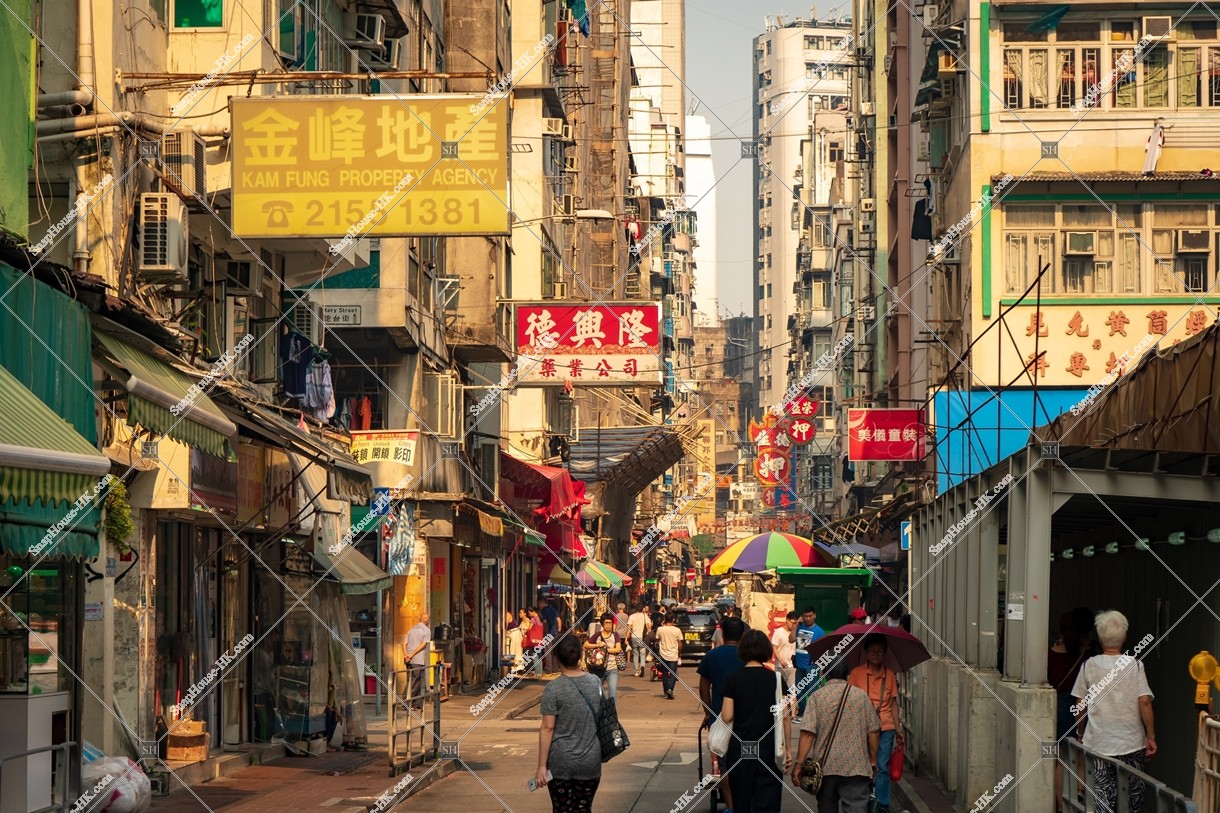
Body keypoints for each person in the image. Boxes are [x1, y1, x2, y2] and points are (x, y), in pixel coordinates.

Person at [1071, 610, 1156, 813]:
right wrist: (1151, 736)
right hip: (1132, 743)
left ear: (1100, 639)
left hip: (1098, 743)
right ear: (1124, 637)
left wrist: (1081, 733)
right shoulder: (1135, 665)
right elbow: (1144, 701)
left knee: (1101, 800)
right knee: (1133, 800)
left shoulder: (1088, 666)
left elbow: (1080, 703)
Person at [793, 659, 880, 813]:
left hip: (826, 767)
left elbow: (807, 733)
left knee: (827, 808)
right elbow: (873, 731)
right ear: (848, 674)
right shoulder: (861, 696)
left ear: (824, 674)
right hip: (857, 766)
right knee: (856, 809)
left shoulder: (817, 697)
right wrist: (872, 760)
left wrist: (799, 764)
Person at [721, 629, 791, 812]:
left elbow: (727, 716)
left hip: (741, 749)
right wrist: (788, 749)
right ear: (766, 651)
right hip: (768, 749)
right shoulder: (776, 680)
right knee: (768, 802)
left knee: (742, 801)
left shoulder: (733, 679)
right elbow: (785, 717)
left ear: (742, 650)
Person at [537, 635, 603, 812]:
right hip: (590, 761)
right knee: (583, 808)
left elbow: (548, 727)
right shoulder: (595, 683)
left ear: (556, 657)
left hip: (561, 762)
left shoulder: (553, 688)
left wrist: (542, 766)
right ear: (580, 656)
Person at [847, 634, 903, 813]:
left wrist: (898, 729)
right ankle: (864, 801)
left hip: (886, 727)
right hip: (861, 728)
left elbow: (893, 704)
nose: (876, 654)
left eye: (880, 651)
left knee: (882, 767)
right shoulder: (856, 673)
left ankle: (883, 805)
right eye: (873, 651)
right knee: (863, 767)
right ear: (866, 652)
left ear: (884, 653)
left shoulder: (890, 675)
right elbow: (849, 701)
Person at [698, 617, 746, 813]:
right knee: (745, 761)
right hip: (746, 719)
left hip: (719, 718)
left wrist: (708, 713)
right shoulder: (747, 656)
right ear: (742, 635)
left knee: (724, 765)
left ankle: (730, 806)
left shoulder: (711, 656)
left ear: (723, 635)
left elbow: (703, 688)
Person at [1048, 608, 1093, 813]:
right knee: (1081, 759)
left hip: (1059, 706)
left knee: (1061, 760)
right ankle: (1079, 799)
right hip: (1083, 706)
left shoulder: (1051, 653)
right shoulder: (1089, 655)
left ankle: (1062, 806)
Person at [790, 607, 824, 722]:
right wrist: (796, 625)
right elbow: (791, 639)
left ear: (814, 615)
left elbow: (822, 650)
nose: (808, 618)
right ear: (802, 617)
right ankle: (802, 713)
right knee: (799, 691)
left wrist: (820, 668)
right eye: (806, 616)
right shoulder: (800, 627)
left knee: (811, 692)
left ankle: (812, 715)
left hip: (812, 666)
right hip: (799, 666)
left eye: (810, 616)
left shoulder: (819, 631)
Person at [584, 613, 625, 700]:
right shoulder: (597, 635)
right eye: (606, 623)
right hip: (599, 668)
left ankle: (611, 708)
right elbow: (585, 645)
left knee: (612, 693)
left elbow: (618, 649)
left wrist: (604, 650)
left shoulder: (615, 635)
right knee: (598, 693)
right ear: (602, 624)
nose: (608, 625)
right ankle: (603, 706)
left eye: (610, 623)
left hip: (612, 668)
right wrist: (597, 645)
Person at [404, 613, 431, 705]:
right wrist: (412, 654)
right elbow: (423, 645)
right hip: (418, 659)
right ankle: (408, 701)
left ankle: (417, 703)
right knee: (416, 681)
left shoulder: (411, 629)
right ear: (427, 621)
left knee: (413, 680)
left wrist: (406, 655)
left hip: (409, 659)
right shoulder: (426, 631)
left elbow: (404, 644)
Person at [655, 614, 684, 700]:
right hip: (673, 655)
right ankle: (670, 689)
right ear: (673, 620)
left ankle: (666, 692)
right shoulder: (677, 630)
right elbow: (680, 644)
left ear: (664, 619)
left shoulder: (660, 629)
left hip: (663, 654)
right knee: (673, 674)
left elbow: (657, 639)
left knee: (664, 674)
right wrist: (680, 654)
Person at [771, 612, 798, 693]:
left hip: (792, 667)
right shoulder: (778, 632)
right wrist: (781, 660)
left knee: (791, 692)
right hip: (780, 666)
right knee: (780, 692)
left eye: (796, 624)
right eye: (793, 623)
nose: (794, 625)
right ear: (787, 620)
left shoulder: (796, 633)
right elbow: (774, 648)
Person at [627, 604, 652, 677]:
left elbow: (629, 627)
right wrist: (649, 633)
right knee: (642, 652)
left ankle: (636, 671)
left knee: (635, 653)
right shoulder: (645, 616)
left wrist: (626, 637)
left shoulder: (632, 616)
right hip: (642, 637)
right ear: (642, 609)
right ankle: (642, 666)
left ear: (636, 609)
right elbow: (648, 626)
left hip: (634, 636)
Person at [541, 600, 562, 673]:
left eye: (539, 603)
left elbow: (544, 622)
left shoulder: (544, 611)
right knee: (554, 651)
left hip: (548, 633)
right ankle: (555, 668)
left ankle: (548, 669)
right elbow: (559, 620)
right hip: (555, 633)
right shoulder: (554, 610)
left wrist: (545, 633)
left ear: (542, 602)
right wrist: (558, 631)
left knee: (547, 651)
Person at [523, 608, 546, 676]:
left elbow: (529, 628)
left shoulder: (533, 619)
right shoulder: (540, 618)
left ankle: (537, 672)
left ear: (533, 612)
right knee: (539, 655)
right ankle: (539, 672)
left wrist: (525, 632)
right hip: (539, 639)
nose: (529, 614)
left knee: (535, 656)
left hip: (534, 640)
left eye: (529, 613)